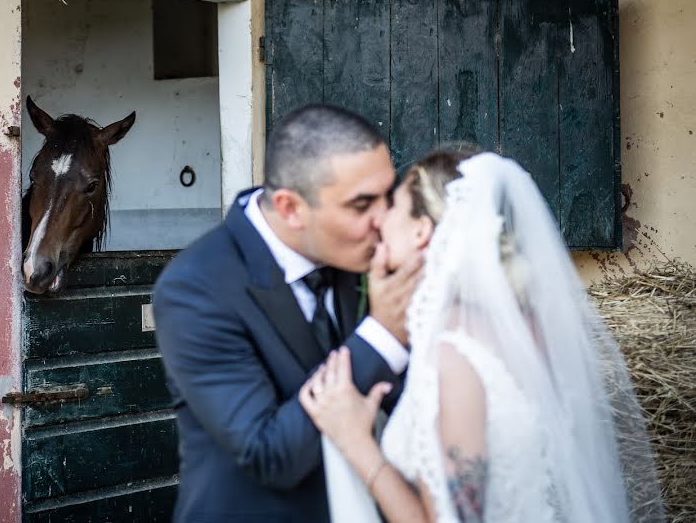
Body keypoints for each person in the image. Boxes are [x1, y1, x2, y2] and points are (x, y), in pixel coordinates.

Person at [300, 149, 664, 522]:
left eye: (392, 205)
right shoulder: (529, 332)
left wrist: (357, 444)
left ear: (421, 231)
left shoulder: (454, 351)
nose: (378, 220)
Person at [152, 105, 421, 522]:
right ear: (291, 208)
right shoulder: (194, 288)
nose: (384, 220)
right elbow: (270, 454)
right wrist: (382, 333)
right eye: (363, 204)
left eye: (390, 194)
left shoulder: (357, 251)